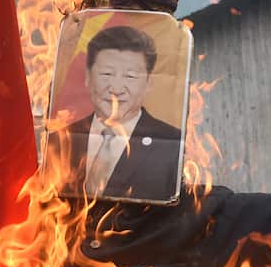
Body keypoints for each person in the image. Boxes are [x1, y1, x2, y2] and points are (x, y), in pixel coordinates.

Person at [48, 24, 183, 202]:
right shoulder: (59, 140)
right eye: (106, 73)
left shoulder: (172, 144)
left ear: (148, 83)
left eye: (130, 76)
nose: (116, 89)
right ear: (88, 77)